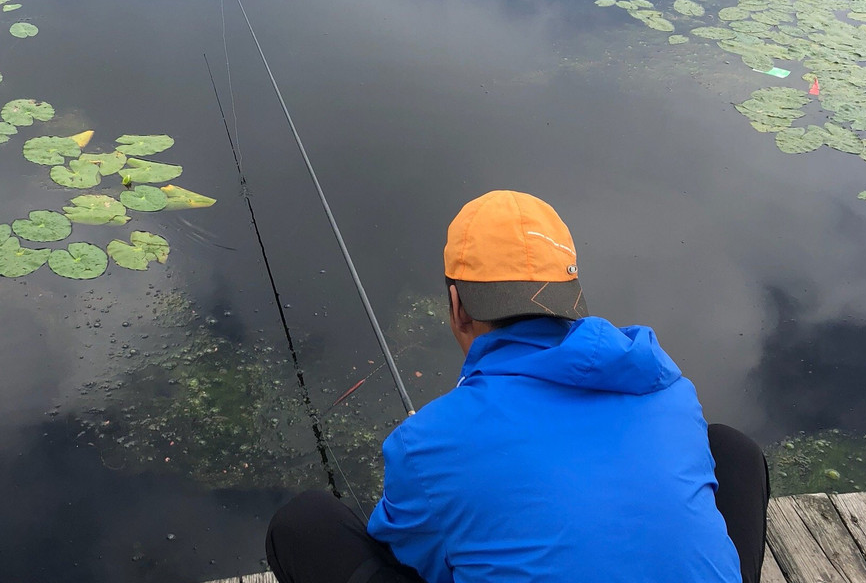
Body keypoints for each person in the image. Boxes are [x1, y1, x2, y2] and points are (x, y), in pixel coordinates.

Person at [266, 190, 769, 583]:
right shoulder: (668, 387)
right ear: (571, 297)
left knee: (304, 526)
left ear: (457, 307)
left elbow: (414, 560)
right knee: (731, 450)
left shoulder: (428, 443)